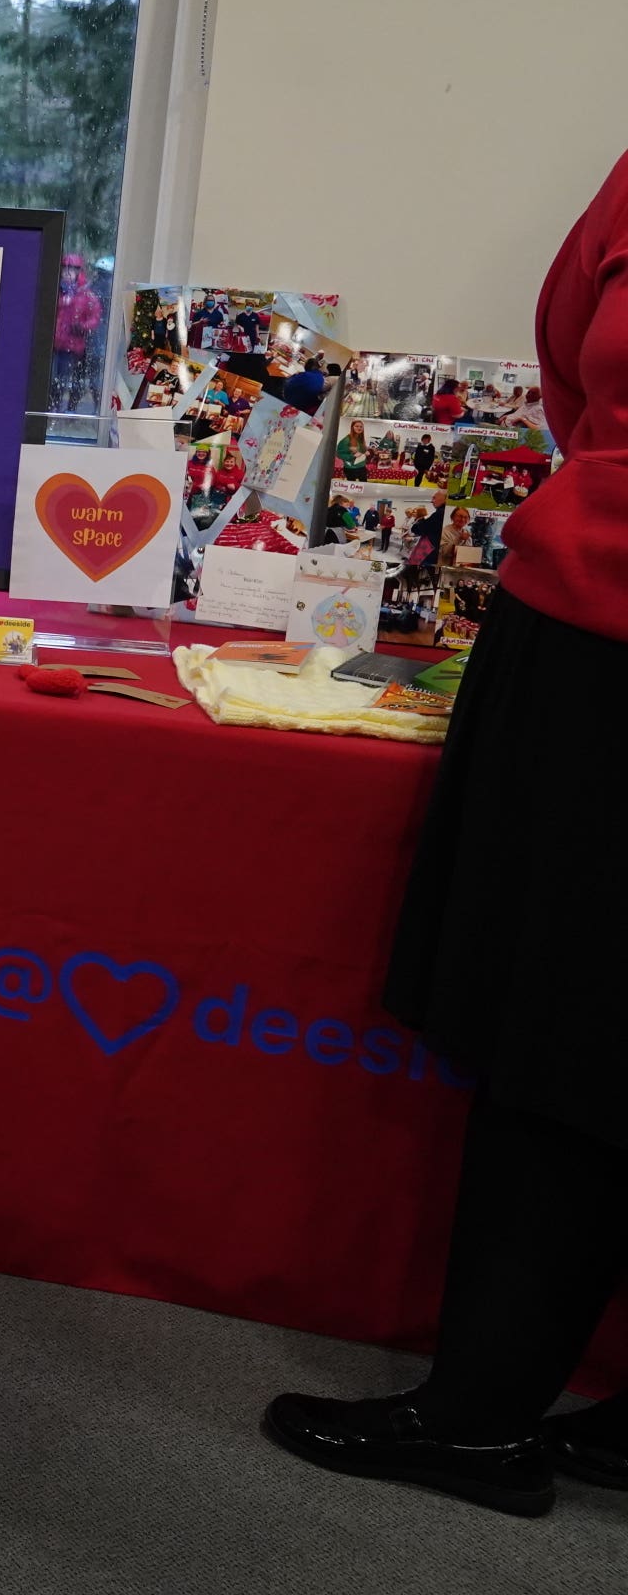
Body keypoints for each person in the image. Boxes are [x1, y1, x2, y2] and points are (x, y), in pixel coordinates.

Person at [266, 146, 628, 1517]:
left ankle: (483, 1422)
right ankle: (495, 1404)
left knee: (574, 1029)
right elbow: (571, 366)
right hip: (599, 632)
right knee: (567, 1024)